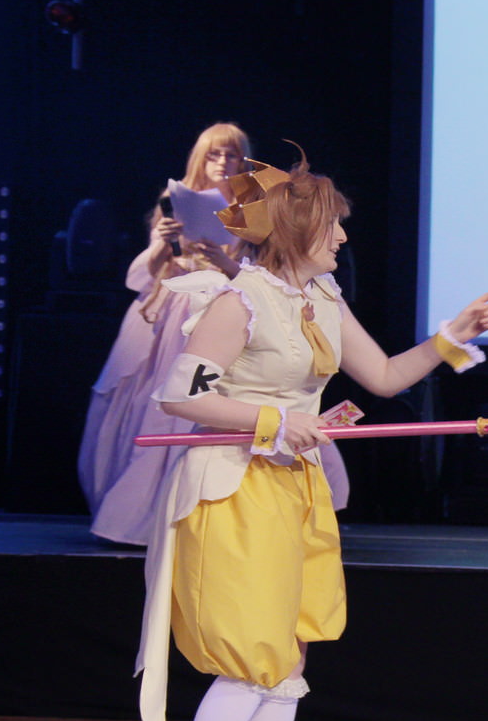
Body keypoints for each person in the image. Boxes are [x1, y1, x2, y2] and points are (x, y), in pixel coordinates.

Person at [135, 152, 488, 721]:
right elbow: (181, 397)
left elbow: (385, 376)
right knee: (251, 655)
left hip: (292, 485)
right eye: (333, 226)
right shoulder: (238, 302)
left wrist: (452, 339)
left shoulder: (322, 299)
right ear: (296, 230)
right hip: (231, 485)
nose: (342, 238)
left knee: (288, 650)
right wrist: (273, 420)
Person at [78, 123, 349, 544]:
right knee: (160, 408)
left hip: (230, 312)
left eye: (232, 155)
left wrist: (224, 265)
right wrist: (162, 244)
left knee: (221, 402)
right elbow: (139, 278)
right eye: (214, 154)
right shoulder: (174, 201)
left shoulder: (257, 206)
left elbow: (267, 281)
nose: (222, 162)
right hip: (172, 315)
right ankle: (137, 520)